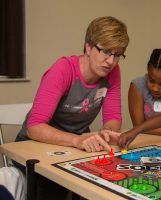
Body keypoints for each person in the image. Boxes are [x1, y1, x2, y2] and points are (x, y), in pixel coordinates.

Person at [14, 16, 129, 200]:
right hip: (34, 144)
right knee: (52, 187)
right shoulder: (63, 70)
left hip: (77, 143)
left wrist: (107, 132)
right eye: (106, 52)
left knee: (100, 180)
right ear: (88, 47)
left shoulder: (113, 72)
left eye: (117, 54)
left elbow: (113, 117)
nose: (111, 61)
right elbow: (34, 127)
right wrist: (77, 140)